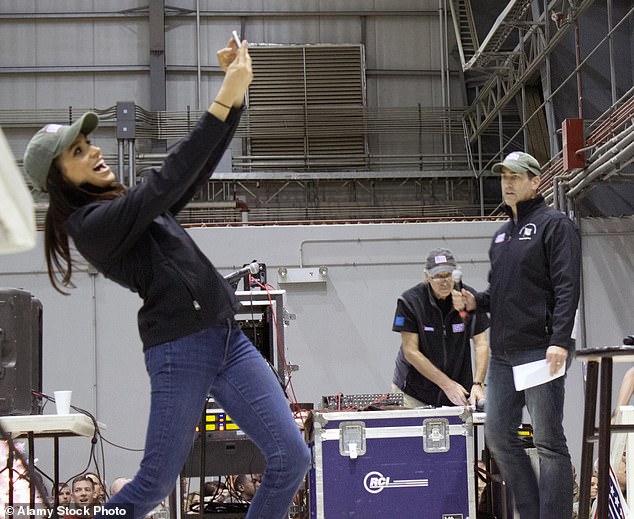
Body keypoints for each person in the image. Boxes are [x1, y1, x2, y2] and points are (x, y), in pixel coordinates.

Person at [22, 39, 310, 519]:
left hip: (227, 338)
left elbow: (190, 176)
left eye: (88, 142)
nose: (94, 150)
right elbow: (168, 179)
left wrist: (235, 96)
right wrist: (223, 99)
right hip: (180, 350)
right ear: (60, 179)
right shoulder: (93, 226)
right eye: (77, 151)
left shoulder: (123, 211)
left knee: (291, 457)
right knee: (152, 486)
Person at [453, 151, 581, 518]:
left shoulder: (554, 225)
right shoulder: (501, 236)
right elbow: (500, 294)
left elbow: (567, 287)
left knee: (548, 441)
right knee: (497, 435)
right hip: (505, 354)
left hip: (541, 349)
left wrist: (559, 339)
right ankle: (530, 509)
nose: (507, 182)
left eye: (516, 176)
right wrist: (475, 300)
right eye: (504, 176)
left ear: (535, 181)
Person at [391, 248, 490, 407]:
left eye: (448, 275)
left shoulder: (468, 298)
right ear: (427, 277)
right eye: (438, 276)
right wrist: (446, 384)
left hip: (458, 390)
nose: (444, 281)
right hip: (414, 390)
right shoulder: (410, 302)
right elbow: (411, 351)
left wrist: (478, 383)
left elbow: (481, 344)